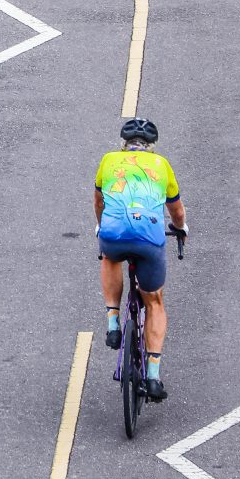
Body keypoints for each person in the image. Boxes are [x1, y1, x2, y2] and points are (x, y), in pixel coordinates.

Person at [94, 116, 187, 402]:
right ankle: (153, 376)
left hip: (114, 231)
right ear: (152, 147)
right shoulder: (162, 166)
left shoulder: (108, 161)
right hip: (148, 236)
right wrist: (181, 230)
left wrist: (101, 227)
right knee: (154, 300)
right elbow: (177, 212)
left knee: (109, 256)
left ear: (123, 145)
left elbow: (99, 202)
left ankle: (112, 321)